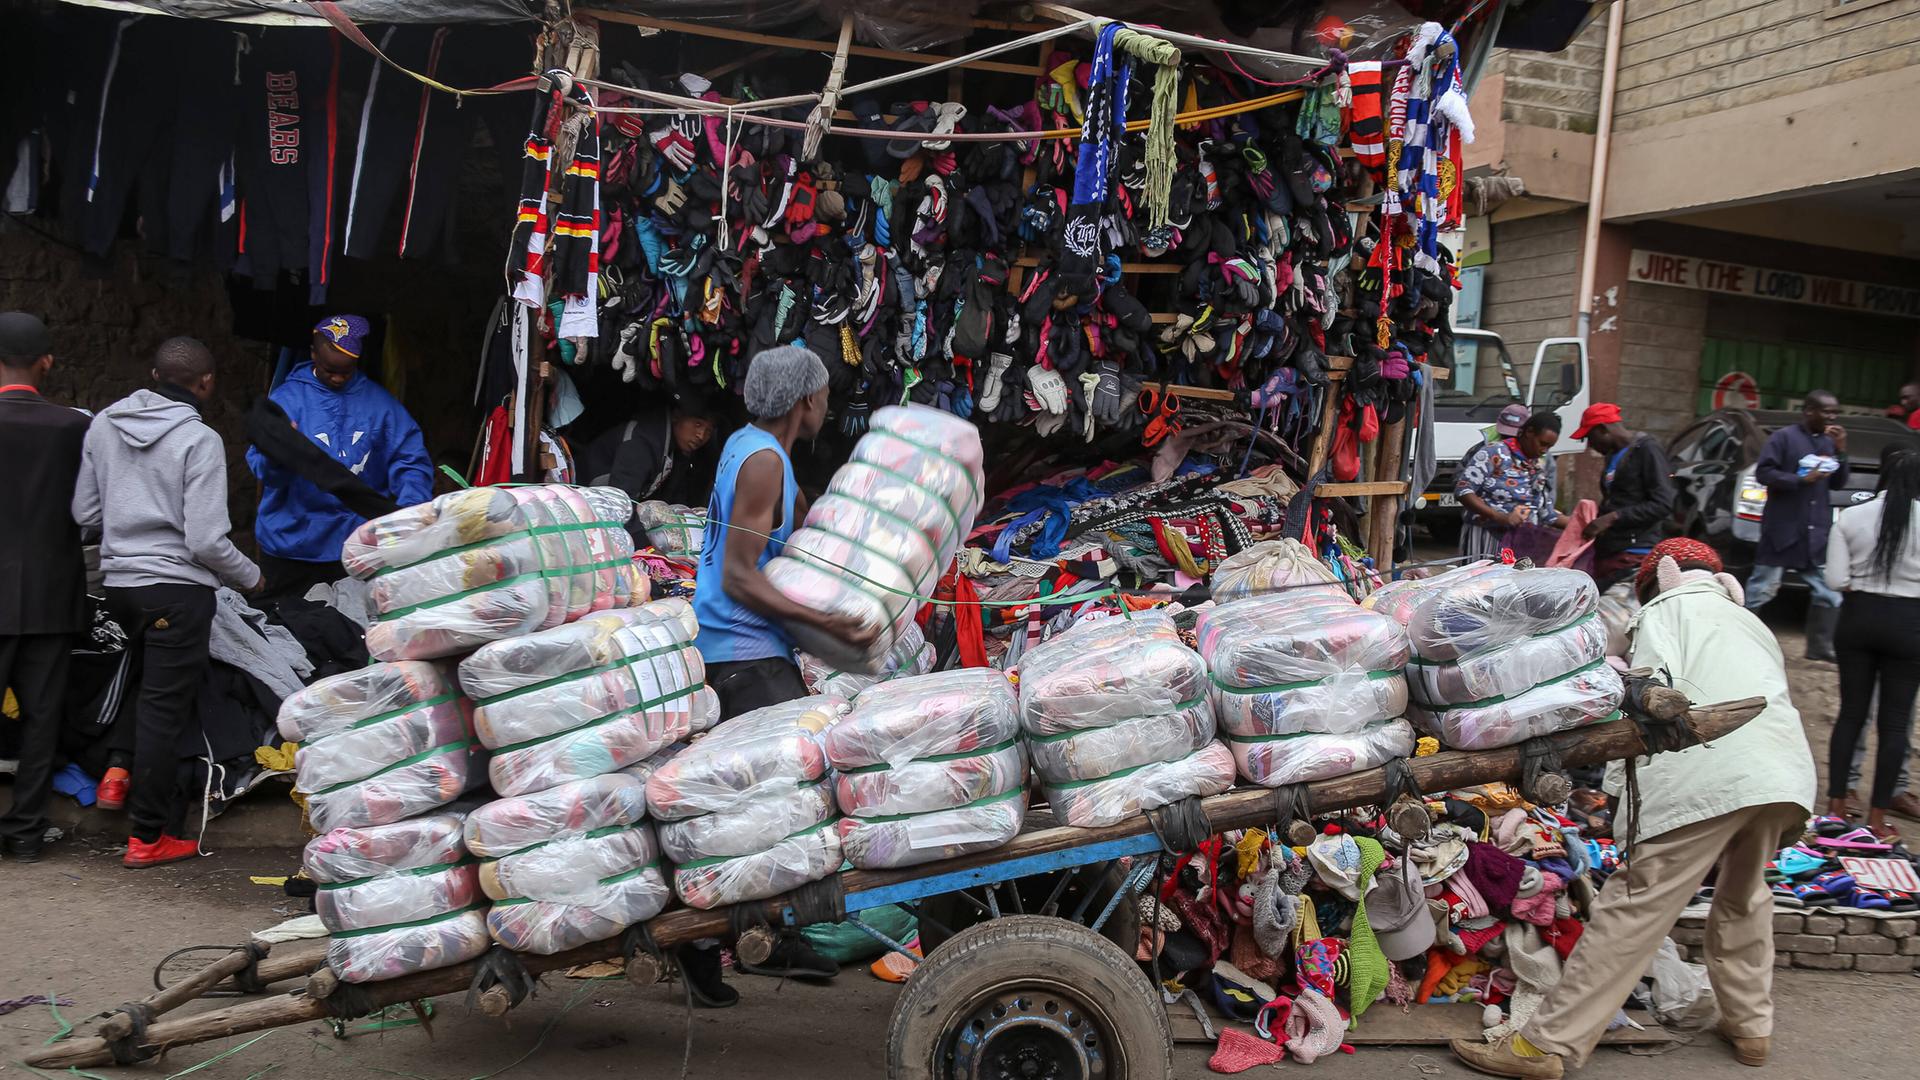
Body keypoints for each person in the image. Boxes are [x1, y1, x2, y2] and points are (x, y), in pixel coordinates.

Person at [1451, 537, 1816, 1080]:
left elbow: (1651, 695)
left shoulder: (1666, 613)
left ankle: (1547, 1046)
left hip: (1710, 768)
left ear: (1657, 583)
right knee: (1745, 896)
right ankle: (1750, 1027)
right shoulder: (1750, 622)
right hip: (1781, 774)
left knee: (1634, 907)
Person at [74, 337, 262, 869]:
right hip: (176, 591)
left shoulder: (104, 425)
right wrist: (250, 577)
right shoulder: (198, 440)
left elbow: (85, 511)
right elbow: (205, 541)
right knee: (164, 707)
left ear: (153, 374)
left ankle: (114, 774)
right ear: (206, 383)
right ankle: (147, 836)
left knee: (135, 681)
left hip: (119, 586)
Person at [693, 345, 877, 721]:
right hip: (746, 654)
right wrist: (826, 622)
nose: (827, 408)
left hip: (735, 649)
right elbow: (738, 576)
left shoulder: (746, 443)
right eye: (825, 397)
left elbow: (795, 523)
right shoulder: (765, 461)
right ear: (808, 399)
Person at [246, 315, 432, 603]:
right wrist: (279, 455)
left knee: (350, 633)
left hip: (357, 546)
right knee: (284, 630)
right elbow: (263, 471)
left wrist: (407, 516)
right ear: (312, 355)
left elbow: (410, 461)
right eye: (330, 370)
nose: (337, 377)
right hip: (291, 545)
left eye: (345, 372)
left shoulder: (381, 406)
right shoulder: (286, 402)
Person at [0, 314, 90, 862]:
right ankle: (26, 832)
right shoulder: (76, 427)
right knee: (41, 720)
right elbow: (91, 510)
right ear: (47, 362)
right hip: (54, 595)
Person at [1825, 446, 1920, 834]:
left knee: (1851, 713)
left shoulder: (1850, 516)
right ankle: (1879, 820)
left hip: (1858, 619)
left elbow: (1835, 580)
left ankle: (1835, 807)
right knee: (1895, 725)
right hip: (1910, 624)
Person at [1743, 391, 1848, 660]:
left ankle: (1820, 647)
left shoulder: (1828, 442)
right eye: (1826, 412)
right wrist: (1800, 480)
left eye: (1835, 412)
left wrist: (1841, 450)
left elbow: (1837, 483)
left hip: (1814, 532)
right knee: (1761, 590)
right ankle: (1744, 641)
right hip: (1783, 528)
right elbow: (1764, 473)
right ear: (1809, 410)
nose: (1832, 417)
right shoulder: (1783, 438)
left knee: (1828, 593)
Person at [576, 399, 716, 539]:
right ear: (676, 416)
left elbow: (675, 501)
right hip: (582, 507)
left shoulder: (677, 453)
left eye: (708, 431)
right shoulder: (642, 443)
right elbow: (620, 504)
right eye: (697, 424)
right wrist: (651, 541)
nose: (701, 435)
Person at [1570, 403, 1676, 588]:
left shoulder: (1647, 450)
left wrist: (1612, 518)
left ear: (1603, 430)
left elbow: (1663, 504)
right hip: (1611, 550)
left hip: (1634, 552)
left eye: (1589, 437)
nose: (1589, 445)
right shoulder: (1613, 456)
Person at [1454, 408, 1563, 558]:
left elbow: (1546, 512)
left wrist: (1580, 524)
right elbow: (1463, 490)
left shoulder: (1539, 464)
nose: (1544, 450)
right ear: (1529, 432)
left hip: (1521, 542)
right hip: (1486, 538)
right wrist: (1499, 517)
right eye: (1542, 443)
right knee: (1482, 581)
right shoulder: (1494, 453)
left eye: (1549, 447)